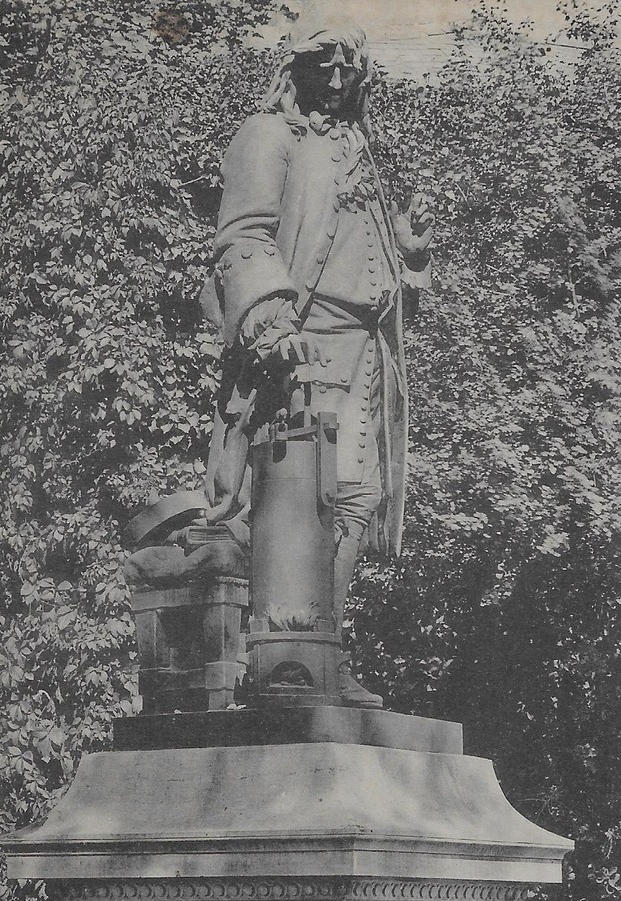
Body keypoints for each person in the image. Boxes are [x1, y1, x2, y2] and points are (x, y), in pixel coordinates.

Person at [197, 12, 433, 706]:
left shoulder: (357, 149)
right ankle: (269, 660)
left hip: (363, 350)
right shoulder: (267, 136)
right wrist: (270, 320)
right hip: (299, 347)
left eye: (347, 67)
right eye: (320, 63)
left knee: (356, 501)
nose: (334, 79)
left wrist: (408, 252)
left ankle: (322, 655)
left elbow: (371, 267)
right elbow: (240, 238)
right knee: (297, 497)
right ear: (294, 67)